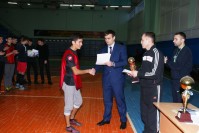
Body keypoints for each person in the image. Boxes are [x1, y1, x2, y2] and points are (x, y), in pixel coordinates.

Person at [129, 32, 164, 133]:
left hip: (154, 87)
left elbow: (155, 73)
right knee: (144, 113)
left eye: (142, 40)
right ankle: (147, 130)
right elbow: (143, 70)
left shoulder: (157, 53)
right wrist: (134, 74)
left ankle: (154, 131)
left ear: (149, 40)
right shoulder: (145, 54)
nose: (141, 42)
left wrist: (138, 73)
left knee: (153, 114)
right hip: (144, 87)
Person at [60, 33, 94, 133]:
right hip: (69, 83)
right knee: (69, 106)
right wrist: (88, 70)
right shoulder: (69, 55)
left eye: (82, 42)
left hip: (74, 82)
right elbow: (76, 71)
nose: (81, 44)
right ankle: (68, 127)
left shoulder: (74, 52)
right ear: (73, 42)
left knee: (78, 101)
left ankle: (71, 118)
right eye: (80, 42)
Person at [93, 30, 127, 129]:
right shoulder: (103, 49)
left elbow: (124, 61)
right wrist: (94, 69)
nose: (106, 40)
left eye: (108, 38)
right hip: (106, 79)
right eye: (105, 38)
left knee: (120, 101)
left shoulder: (121, 48)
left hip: (117, 79)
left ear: (114, 38)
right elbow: (99, 63)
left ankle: (123, 120)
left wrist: (113, 64)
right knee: (107, 101)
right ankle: (106, 119)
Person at [164, 32, 192, 102]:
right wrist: (166, 62)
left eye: (176, 39)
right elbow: (173, 64)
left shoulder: (186, 51)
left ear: (182, 40)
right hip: (175, 80)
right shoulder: (176, 50)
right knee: (175, 102)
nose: (173, 41)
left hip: (181, 81)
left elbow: (178, 66)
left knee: (180, 103)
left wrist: (167, 62)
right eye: (174, 39)